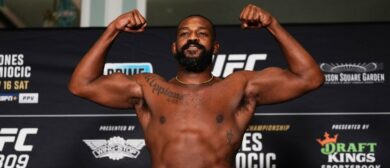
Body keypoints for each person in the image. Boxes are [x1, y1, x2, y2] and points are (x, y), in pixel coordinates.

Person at [69, 4, 324, 168]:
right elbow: (81, 84)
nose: (192, 37)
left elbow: (310, 78)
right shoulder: (148, 88)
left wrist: (272, 25)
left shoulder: (239, 86)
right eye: (184, 33)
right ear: (174, 47)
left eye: (202, 33)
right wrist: (113, 29)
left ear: (215, 48)